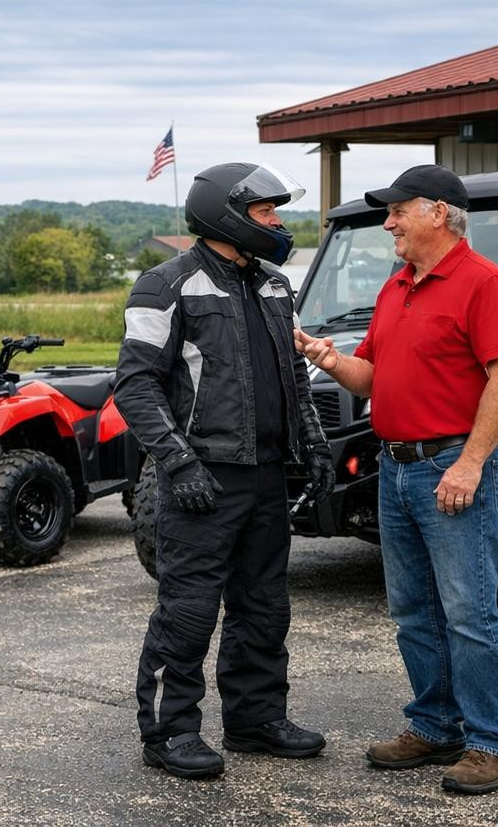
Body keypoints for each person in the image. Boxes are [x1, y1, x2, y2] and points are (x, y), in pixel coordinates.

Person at [293, 163, 498, 796]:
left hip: (449, 467)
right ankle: (436, 725)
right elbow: (372, 377)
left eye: (399, 211)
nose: (389, 222)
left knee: (468, 612)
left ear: (439, 215)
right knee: (413, 611)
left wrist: (471, 463)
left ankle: (493, 742)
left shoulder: (485, 284)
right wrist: (330, 357)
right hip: (394, 468)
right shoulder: (399, 285)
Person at [115, 161, 335, 780]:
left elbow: (293, 374)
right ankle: (169, 731)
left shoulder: (271, 284)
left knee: (264, 607)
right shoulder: (165, 285)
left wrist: (312, 444)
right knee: (188, 610)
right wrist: (176, 462)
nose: (277, 222)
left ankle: (255, 719)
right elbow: (135, 386)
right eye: (267, 212)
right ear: (228, 216)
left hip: (267, 475)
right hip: (200, 481)